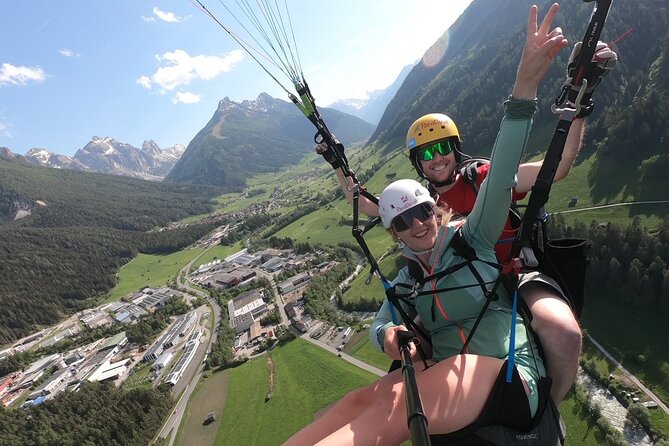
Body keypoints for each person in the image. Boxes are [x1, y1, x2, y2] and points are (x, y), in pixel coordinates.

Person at [284, 4, 568, 444]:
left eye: (421, 212)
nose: (416, 223)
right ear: (392, 232)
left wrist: (525, 86)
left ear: (436, 212)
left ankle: (555, 395)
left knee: (395, 407)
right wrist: (391, 339)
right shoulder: (404, 285)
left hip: (509, 376)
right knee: (361, 400)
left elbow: (504, 173)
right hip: (452, 384)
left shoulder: (473, 237)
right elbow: (380, 324)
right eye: (402, 221)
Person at [317, 9, 616, 405]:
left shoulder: (483, 177)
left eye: (443, 148)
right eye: (426, 153)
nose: (437, 158)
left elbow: (555, 169)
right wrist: (338, 164)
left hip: (513, 274)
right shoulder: (423, 204)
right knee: (409, 346)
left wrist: (579, 108)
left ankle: (549, 410)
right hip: (456, 281)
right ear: (418, 164)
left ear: (455, 149)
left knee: (563, 333)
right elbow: (369, 206)